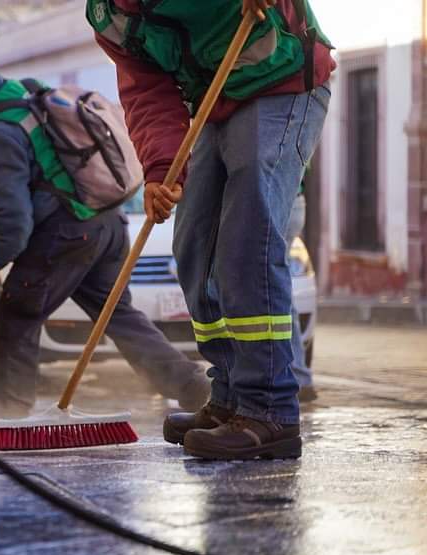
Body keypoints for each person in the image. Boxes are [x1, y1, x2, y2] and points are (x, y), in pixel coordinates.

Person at [89, 0, 334, 459]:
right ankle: (230, 397)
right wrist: (161, 169)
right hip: (214, 101)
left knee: (247, 240)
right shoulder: (111, 16)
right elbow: (147, 92)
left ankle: (271, 408)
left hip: (281, 82)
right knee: (194, 247)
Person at [0, 54, 212, 419]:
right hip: (108, 224)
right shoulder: (28, 94)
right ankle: (193, 386)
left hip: (67, 232)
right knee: (118, 315)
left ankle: (8, 411)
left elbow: (14, 218)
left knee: (17, 311)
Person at [287, 179, 318, 402]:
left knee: (269, 288)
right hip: (291, 200)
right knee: (274, 287)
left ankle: (298, 376)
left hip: (280, 199)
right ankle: (298, 375)